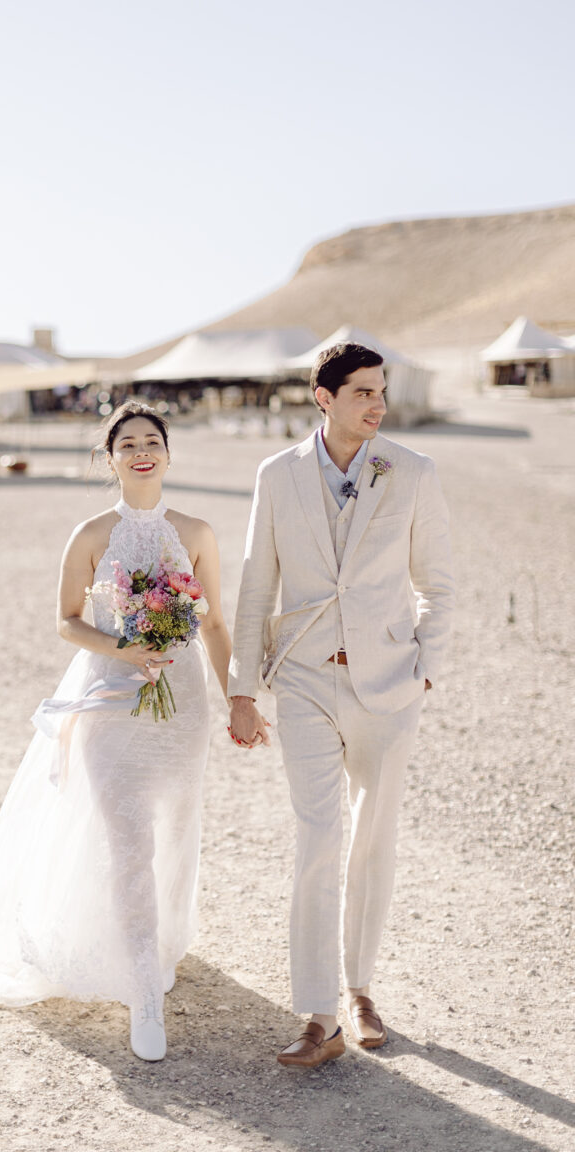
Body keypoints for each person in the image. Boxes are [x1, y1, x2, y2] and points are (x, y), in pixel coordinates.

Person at [0, 401, 232, 1063]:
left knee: (174, 831)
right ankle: (144, 995)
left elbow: (215, 623)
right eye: (127, 443)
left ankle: (158, 945)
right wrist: (124, 647)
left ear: (167, 453)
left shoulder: (196, 530)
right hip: (108, 696)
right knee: (128, 835)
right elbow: (66, 621)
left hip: (183, 703)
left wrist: (238, 699)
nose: (141, 451)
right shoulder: (90, 534)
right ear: (110, 460)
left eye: (152, 441)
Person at [227, 343, 454, 1068]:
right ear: (323, 399)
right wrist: (241, 686)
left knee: (373, 839)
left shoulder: (412, 471)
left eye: (381, 391)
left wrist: (425, 670)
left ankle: (361, 990)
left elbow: (439, 585)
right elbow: (256, 583)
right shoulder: (278, 475)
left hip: (390, 684)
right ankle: (319, 1012)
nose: (377, 404)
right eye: (361, 392)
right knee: (319, 836)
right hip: (302, 681)